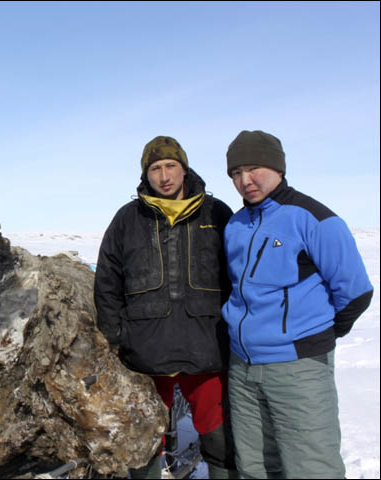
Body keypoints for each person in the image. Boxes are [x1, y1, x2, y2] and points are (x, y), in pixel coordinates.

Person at [222, 130, 374, 479]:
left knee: (311, 468)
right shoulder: (236, 225)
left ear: (278, 167)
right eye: (236, 173)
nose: (245, 181)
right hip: (242, 367)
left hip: (297, 369)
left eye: (255, 168)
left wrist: (311, 337)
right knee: (257, 466)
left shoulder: (314, 219)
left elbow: (355, 292)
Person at [95, 136, 239, 479]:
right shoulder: (127, 220)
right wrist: (113, 337)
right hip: (144, 353)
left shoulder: (216, 212)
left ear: (184, 169)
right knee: (143, 437)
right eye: (155, 168)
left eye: (170, 166)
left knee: (219, 436)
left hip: (207, 348)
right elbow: (108, 282)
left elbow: (237, 276)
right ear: (147, 175)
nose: (164, 176)